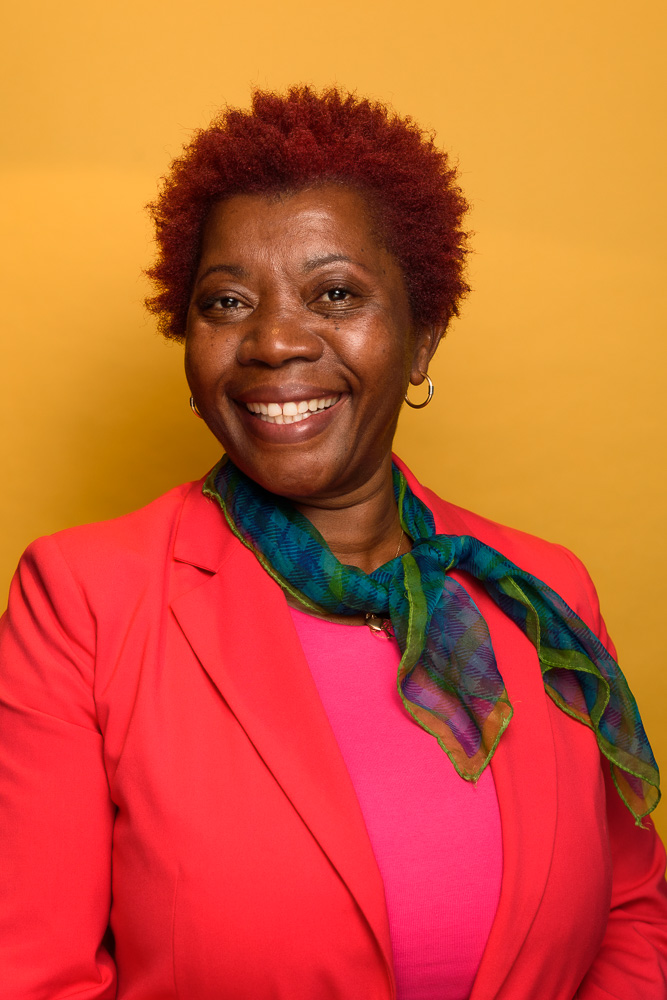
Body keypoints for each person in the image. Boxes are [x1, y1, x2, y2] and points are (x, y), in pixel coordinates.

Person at [1, 86, 666, 1000]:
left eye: (336, 294)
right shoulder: (82, 600)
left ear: (422, 338)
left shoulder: (540, 590)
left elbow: (631, 911)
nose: (274, 341)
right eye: (226, 301)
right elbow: (32, 975)